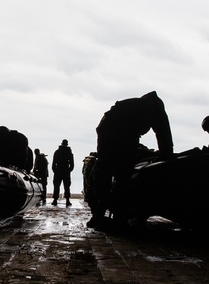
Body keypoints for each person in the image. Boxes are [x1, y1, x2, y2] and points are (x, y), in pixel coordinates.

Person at [88, 91, 173, 228]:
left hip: (106, 133)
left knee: (103, 174)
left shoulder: (133, 104)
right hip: (120, 135)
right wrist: (167, 154)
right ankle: (118, 218)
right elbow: (164, 134)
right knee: (122, 177)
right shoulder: (154, 107)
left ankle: (99, 214)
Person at [51, 139, 74, 206]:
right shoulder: (69, 152)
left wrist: (55, 170)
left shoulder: (57, 152)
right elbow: (72, 163)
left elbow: (54, 162)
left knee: (57, 185)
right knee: (66, 186)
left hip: (58, 170)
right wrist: (69, 170)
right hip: (65, 170)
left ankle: (55, 200)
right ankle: (67, 200)